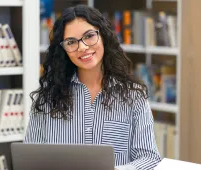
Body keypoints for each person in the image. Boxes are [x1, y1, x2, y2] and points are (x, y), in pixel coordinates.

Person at [25, 4, 162, 170]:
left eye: (89, 36)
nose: (82, 47)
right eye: (71, 42)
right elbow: (30, 160)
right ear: (64, 50)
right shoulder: (47, 98)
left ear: (103, 36)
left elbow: (149, 157)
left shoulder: (134, 96)